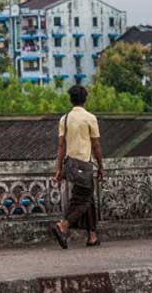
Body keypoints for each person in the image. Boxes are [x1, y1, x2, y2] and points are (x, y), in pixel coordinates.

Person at [52, 85, 105, 248]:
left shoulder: (65, 119)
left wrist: (59, 169)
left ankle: (92, 236)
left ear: (71, 99)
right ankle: (63, 225)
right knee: (84, 199)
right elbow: (96, 146)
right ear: (85, 99)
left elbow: (61, 146)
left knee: (87, 200)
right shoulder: (90, 118)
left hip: (70, 165)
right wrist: (101, 166)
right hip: (84, 166)